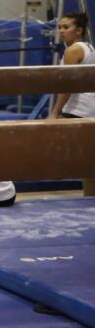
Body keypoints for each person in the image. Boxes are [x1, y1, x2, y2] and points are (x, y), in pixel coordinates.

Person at [49, 11, 95, 196]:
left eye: (66, 27)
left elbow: (67, 86)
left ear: (79, 30)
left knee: (81, 161)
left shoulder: (73, 50)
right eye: (60, 27)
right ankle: (90, 200)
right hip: (89, 109)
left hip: (78, 110)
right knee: (89, 164)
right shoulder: (89, 48)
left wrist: (54, 112)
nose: (61, 31)